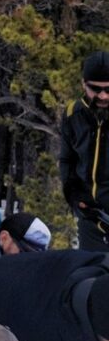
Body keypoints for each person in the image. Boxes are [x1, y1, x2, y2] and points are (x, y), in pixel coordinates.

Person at [60, 50, 109, 251]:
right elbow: (67, 159)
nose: (104, 96)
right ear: (84, 84)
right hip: (89, 218)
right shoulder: (74, 113)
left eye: (108, 89)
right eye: (95, 89)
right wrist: (73, 195)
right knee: (92, 278)